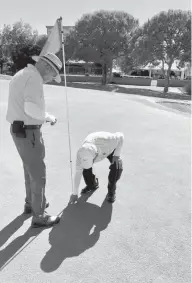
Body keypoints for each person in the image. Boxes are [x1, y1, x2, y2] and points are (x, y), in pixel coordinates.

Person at [6, 52, 62, 228]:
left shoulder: (22, 74)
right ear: (47, 67)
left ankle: (31, 203)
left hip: (18, 130)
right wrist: (48, 117)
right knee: (38, 173)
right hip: (29, 132)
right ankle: (39, 215)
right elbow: (30, 108)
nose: (52, 79)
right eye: (53, 75)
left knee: (28, 169)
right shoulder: (34, 78)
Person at [69, 131, 124, 204]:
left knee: (117, 166)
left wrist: (117, 154)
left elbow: (121, 136)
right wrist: (75, 193)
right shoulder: (80, 155)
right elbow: (78, 173)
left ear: (96, 155)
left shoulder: (109, 140)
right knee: (86, 171)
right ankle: (92, 185)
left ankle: (111, 190)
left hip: (109, 150)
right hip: (96, 152)